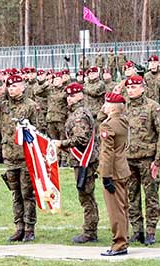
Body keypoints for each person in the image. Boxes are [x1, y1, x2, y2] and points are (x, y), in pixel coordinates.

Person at [0, 74, 37, 242]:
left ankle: (29, 228)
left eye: (15, 86)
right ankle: (18, 227)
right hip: (9, 156)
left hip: (26, 156)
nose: (11, 89)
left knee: (27, 194)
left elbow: (38, 130)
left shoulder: (31, 106)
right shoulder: (2, 105)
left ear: (23, 87)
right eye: (9, 86)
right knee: (15, 194)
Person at [54, 82, 99, 244]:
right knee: (86, 196)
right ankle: (90, 229)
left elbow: (81, 139)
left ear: (81, 95)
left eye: (73, 95)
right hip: (81, 160)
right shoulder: (77, 112)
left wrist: (62, 143)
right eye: (68, 96)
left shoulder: (79, 115)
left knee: (86, 196)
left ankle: (90, 231)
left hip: (84, 161)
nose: (69, 99)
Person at [126, 75, 160, 246]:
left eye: (134, 87)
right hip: (128, 159)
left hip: (147, 159)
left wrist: (157, 161)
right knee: (131, 196)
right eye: (128, 88)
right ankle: (137, 230)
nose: (131, 90)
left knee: (151, 196)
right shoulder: (124, 108)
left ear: (142, 88)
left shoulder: (153, 107)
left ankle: (151, 230)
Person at [98, 92, 131, 256]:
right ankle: (124, 238)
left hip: (113, 172)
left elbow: (107, 153)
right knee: (123, 207)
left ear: (111, 106)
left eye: (106, 103)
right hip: (123, 168)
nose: (103, 106)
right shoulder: (123, 121)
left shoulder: (108, 125)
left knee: (115, 209)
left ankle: (119, 243)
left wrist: (105, 175)